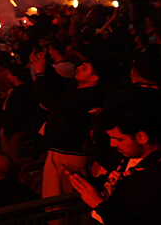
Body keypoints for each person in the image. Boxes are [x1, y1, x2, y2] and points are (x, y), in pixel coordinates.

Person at [66, 107, 161, 225]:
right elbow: (119, 185)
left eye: (118, 139)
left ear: (141, 137)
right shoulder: (129, 158)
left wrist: (99, 205)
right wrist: (85, 184)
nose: (112, 144)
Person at [31, 49, 106, 197]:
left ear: (94, 78)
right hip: (62, 156)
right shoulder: (81, 90)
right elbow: (61, 82)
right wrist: (45, 67)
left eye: (84, 68)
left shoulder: (86, 98)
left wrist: (39, 74)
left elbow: (50, 100)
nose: (78, 67)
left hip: (66, 159)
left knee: (58, 203)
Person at [0, 64, 39, 159]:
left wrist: (6, 133)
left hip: (14, 132)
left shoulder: (17, 94)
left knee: (11, 156)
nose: (8, 76)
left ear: (15, 76)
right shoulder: (28, 89)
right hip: (23, 128)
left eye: (9, 74)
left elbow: (14, 116)